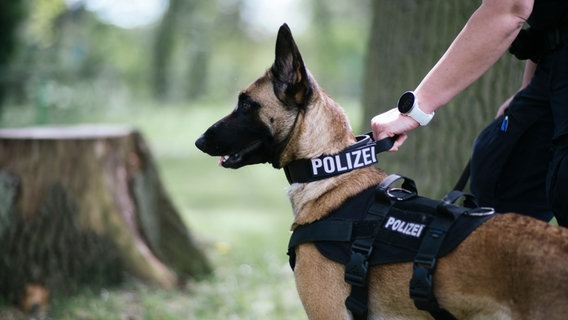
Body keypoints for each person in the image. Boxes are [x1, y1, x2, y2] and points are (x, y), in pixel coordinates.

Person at [371, 0, 568, 227]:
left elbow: (510, 8)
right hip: (552, 65)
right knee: (503, 169)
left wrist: (415, 109)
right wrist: (528, 89)